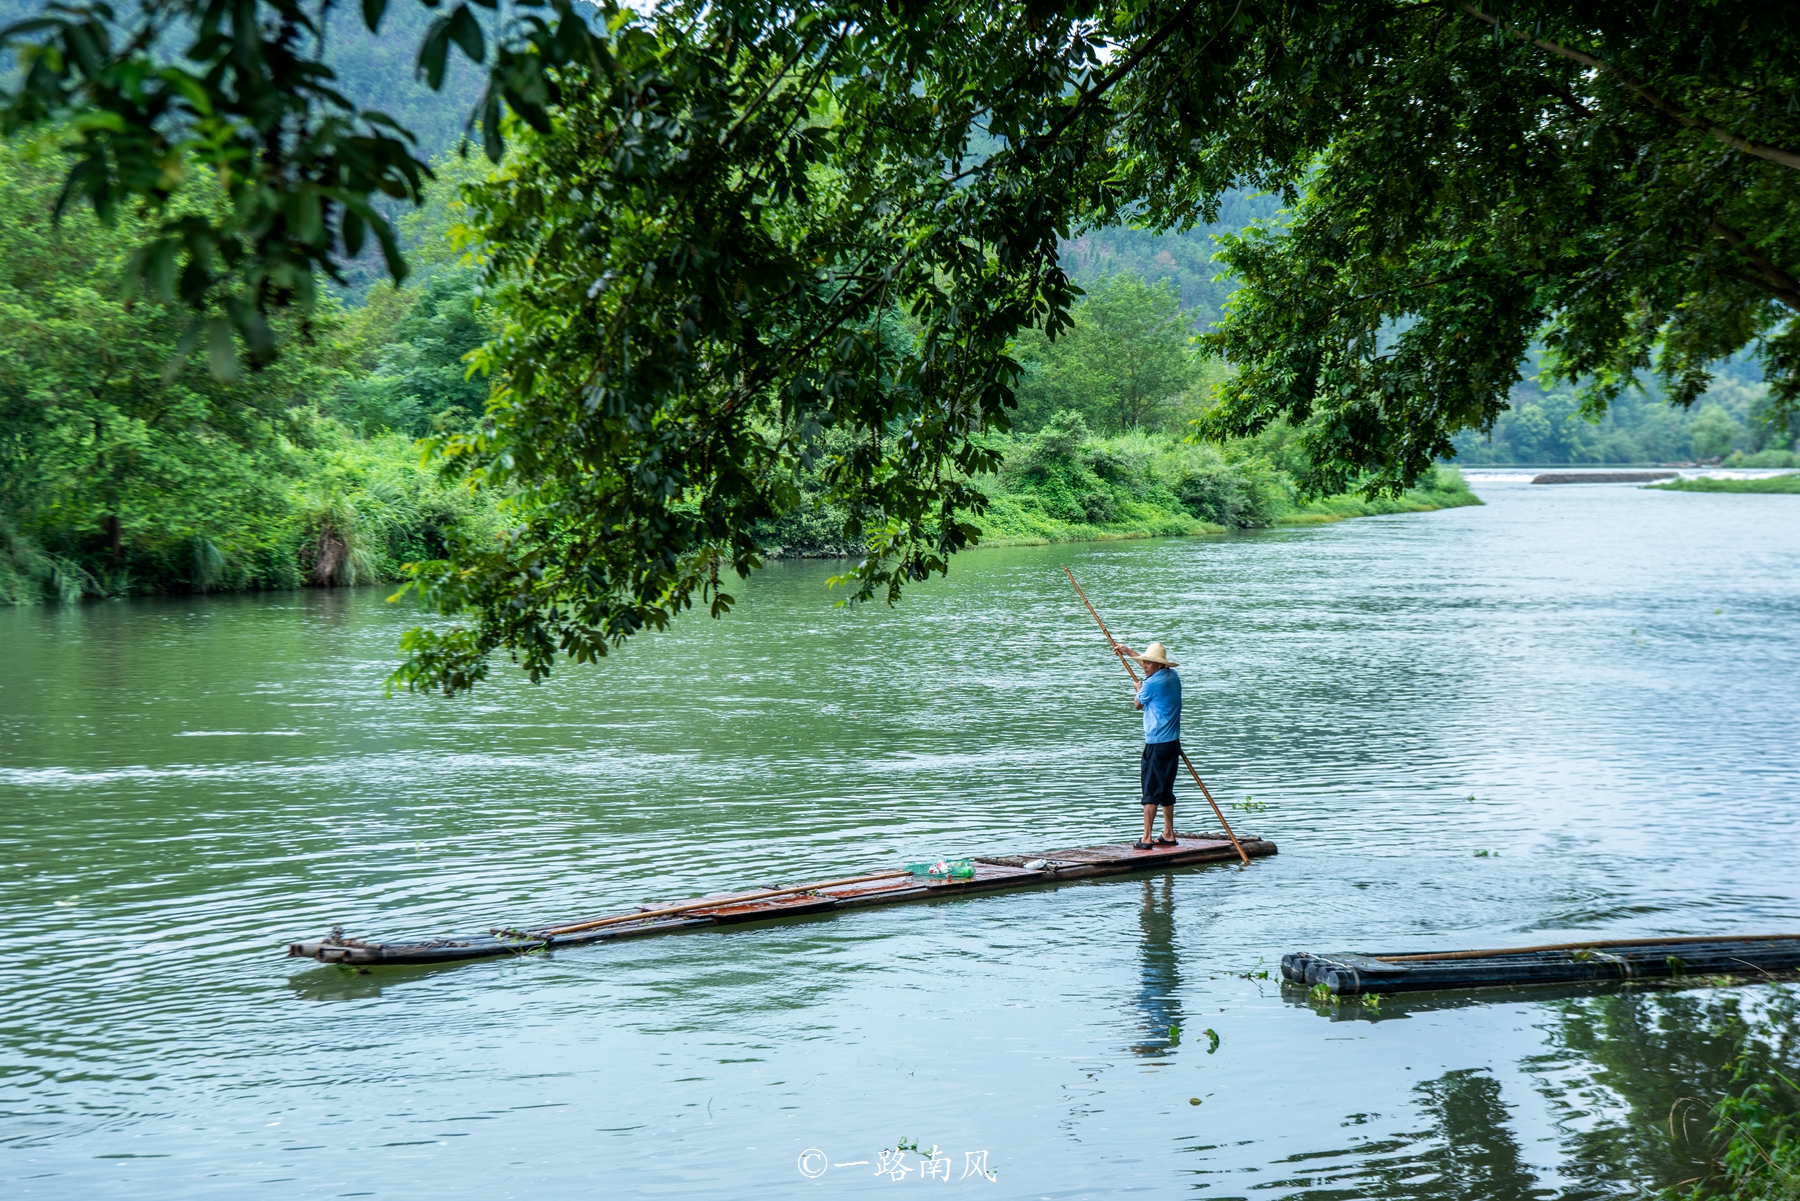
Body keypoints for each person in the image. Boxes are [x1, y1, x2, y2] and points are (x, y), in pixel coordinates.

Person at [1117, 641, 1181, 850]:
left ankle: (1146, 838)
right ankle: (1169, 833)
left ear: (1159, 665)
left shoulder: (1152, 684)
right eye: (1143, 661)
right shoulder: (1172, 676)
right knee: (1166, 789)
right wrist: (1128, 652)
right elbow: (1149, 670)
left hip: (1157, 743)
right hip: (1172, 743)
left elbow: (1138, 704)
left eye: (1148, 662)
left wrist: (1138, 689)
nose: (1144, 664)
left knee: (1151, 791)